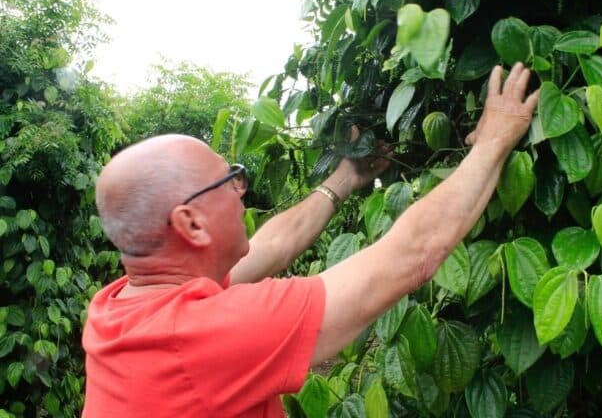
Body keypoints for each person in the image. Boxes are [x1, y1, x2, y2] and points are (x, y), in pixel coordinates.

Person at [82, 63, 539, 417]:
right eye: (230, 181)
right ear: (191, 225)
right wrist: (493, 141)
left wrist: (342, 180)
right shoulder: (201, 337)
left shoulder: (120, 307)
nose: (243, 191)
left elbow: (271, 246)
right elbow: (410, 255)